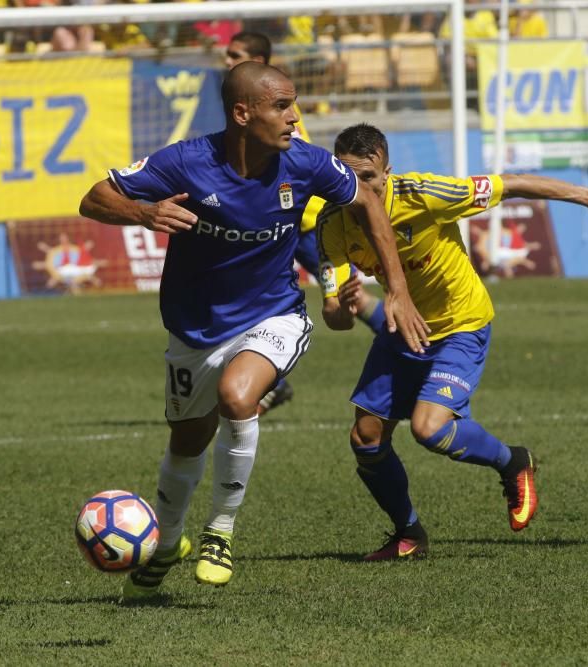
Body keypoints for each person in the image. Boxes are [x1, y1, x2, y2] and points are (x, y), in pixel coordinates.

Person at [78, 63, 428, 597]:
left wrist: (397, 288)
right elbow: (94, 197)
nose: (294, 118)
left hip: (275, 314)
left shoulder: (305, 162)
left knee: (237, 397)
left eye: (294, 105)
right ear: (243, 114)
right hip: (193, 328)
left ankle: (220, 531)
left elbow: (367, 201)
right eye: (281, 106)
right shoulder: (186, 162)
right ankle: (167, 541)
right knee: (186, 443)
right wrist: (143, 212)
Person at [319, 123, 588, 559]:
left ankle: (513, 462)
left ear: (387, 172)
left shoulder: (423, 193)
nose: (358, 188)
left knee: (428, 428)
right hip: (403, 331)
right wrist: (347, 306)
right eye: (348, 176)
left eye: (368, 177)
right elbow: (334, 319)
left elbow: (514, 184)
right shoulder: (331, 220)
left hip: (460, 323)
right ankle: (408, 533)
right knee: (366, 438)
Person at [225, 31, 387, 415]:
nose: (226, 61)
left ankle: (406, 342)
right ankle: (271, 384)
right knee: (244, 299)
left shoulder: (276, 113)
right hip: (284, 227)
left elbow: (293, 166)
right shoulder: (248, 104)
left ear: (259, 62)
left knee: (345, 297)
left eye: (236, 55)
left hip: (306, 224)